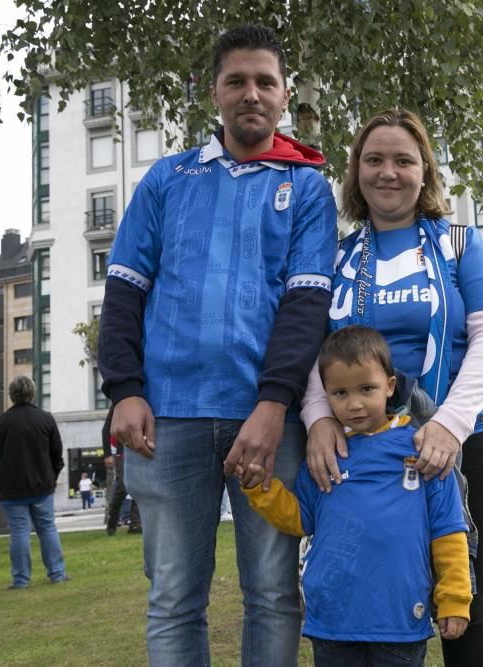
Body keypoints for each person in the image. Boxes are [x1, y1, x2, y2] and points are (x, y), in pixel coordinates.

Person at [97, 25, 338, 666]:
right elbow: (123, 290)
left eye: (265, 82)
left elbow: (306, 303)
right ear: (214, 93)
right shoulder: (166, 179)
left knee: (274, 593)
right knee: (174, 597)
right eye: (237, 81)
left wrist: (273, 403)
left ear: (286, 96)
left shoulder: (309, 187)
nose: (251, 94)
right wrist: (124, 389)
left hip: (268, 421)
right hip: (165, 418)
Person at [300, 109, 483, 666]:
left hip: (464, 441)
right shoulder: (336, 258)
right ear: (355, 172)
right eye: (373, 160)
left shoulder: (460, 243)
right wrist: (319, 418)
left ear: (425, 172)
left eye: (402, 160)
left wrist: (447, 424)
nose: (387, 172)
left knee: (463, 596)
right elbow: (309, 351)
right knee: (371, 590)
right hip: (365, 453)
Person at [243, 326, 471, 666]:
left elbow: (448, 531)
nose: (354, 403)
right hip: (333, 623)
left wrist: (454, 598)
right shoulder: (324, 453)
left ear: (390, 385)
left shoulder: (423, 449)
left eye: (367, 389)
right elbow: (300, 519)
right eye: (340, 393)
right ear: (325, 394)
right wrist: (260, 488)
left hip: (400, 621)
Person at [0, 376, 70, 590]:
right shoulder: (46, 419)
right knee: (47, 528)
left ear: (11, 395)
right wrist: (52, 478)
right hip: (42, 486)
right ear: (33, 393)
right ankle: (57, 573)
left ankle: (21, 579)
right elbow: (57, 454)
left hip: (11, 488)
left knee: (19, 532)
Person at [101, 406, 141, 535]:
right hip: (122, 452)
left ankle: (135, 523)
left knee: (137, 485)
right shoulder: (118, 405)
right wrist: (107, 454)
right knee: (123, 487)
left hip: (137, 449)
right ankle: (112, 520)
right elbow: (106, 430)